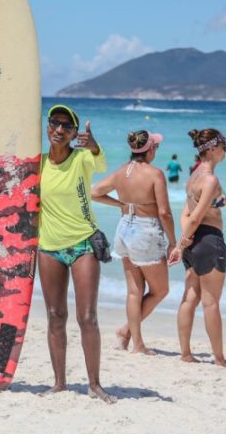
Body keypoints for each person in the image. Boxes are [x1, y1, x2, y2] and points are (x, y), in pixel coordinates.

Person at [37, 104, 116, 403]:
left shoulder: (82, 158)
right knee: (56, 316)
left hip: (84, 243)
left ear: (73, 133)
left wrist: (95, 146)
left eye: (66, 127)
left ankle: (94, 384)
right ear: (47, 127)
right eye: (54, 123)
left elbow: (102, 164)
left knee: (87, 317)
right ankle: (59, 383)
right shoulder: (38, 164)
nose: (59, 130)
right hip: (49, 247)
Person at [92, 131, 177, 355]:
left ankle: (131, 338)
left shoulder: (122, 172)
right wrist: (173, 241)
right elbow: (164, 212)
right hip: (146, 231)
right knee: (160, 290)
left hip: (124, 228)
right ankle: (130, 335)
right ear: (150, 149)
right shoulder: (155, 174)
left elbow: (95, 192)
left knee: (134, 291)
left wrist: (121, 204)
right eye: (155, 147)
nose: (156, 151)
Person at [176, 128, 226, 367]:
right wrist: (181, 244)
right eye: (223, 146)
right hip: (209, 239)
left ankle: (186, 353)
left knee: (190, 297)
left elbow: (186, 213)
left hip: (194, 241)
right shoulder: (210, 178)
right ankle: (219, 358)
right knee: (210, 302)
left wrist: (185, 239)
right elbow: (197, 216)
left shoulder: (193, 176)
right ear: (211, 149)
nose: (225, 150)